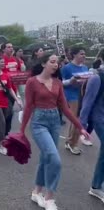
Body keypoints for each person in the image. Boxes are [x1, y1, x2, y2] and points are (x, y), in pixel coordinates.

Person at [20, 53, 90, 209]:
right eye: (52, 62)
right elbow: (28, 106)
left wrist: (80, 127)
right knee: (55, 159)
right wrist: (21, 130)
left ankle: (36, 192)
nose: (55, 65)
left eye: (57, 63)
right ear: (44, 63)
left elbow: (65, 108)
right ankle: (49, 197)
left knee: (46, 158)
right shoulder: (32, 82)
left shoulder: (58, 82)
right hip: (39, 122)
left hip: (54, 121)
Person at [79, 66, 104, 203]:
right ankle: (96, 186)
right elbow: (87, 101)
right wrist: (82, 125)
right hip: (99, 118)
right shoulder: (97, 78)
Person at [61, 46, 88, 155]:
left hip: (83, 95)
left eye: (84, 54)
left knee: (80, 119)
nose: (84, 56)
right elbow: (61, 83)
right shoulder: (67, 68)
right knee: (76, 119)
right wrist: (71, 81)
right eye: (81, 53)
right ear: (74, 55)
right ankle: (72, 143)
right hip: (71, 95)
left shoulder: (85, 67)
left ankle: (70, 141)